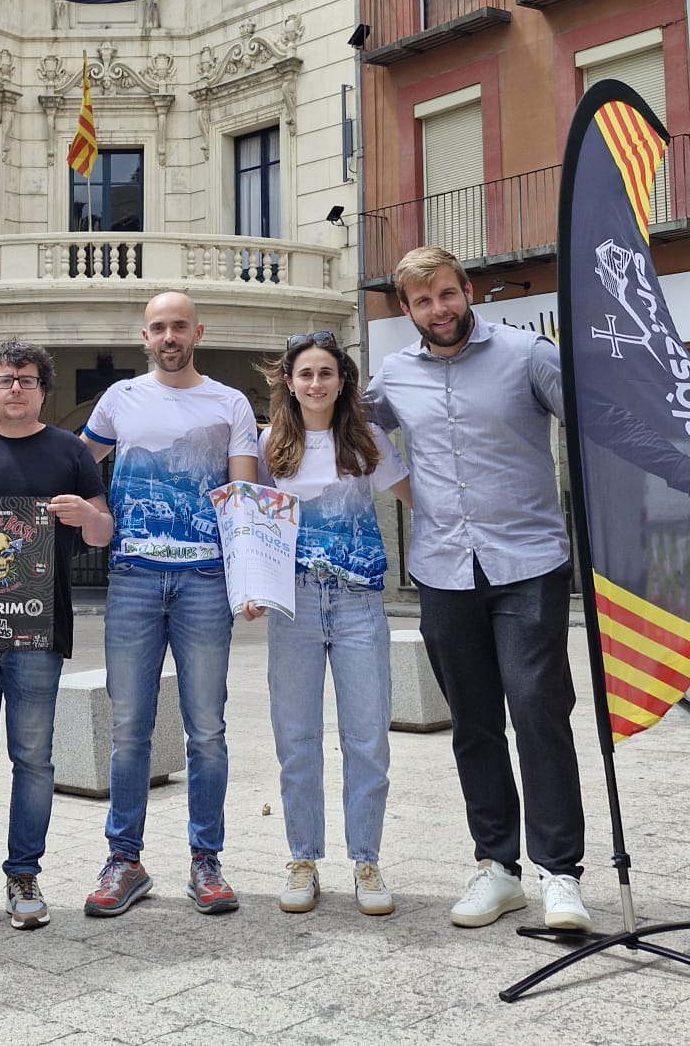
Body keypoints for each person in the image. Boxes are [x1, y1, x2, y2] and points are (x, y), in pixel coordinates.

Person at [366, 246, 593, 933]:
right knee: (473, 726)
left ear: (468, 291)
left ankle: (561, 875)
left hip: (528, 564)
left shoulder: (530, 356)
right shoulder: (394, 375)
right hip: (443, 570)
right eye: (422, 302)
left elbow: (596, 423)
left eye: (446, 294)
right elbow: (349, 430)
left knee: (537, 713)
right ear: (407, 311)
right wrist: (405, 490)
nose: (438, 310)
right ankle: (498, 868)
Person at [0, 341, 114, 932]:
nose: (15, 388)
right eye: (5, 379)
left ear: (42, 389)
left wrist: (86, 517)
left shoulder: (71, 451)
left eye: (27, 379)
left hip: (39, 630)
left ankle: (23, 872)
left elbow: (104, 533)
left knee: (34, 759)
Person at [81, 292, 258, 918]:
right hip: (132, 577)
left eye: (179, 325)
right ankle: (124, 859)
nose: (168, 336)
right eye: (158, 327)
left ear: (198, 332)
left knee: (206, 728)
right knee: (128, 728)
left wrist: (251, 581)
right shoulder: (120, 399)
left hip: (205, 580)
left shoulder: (230, 403)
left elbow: (244, 496)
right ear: (145, 336)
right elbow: (77, 464)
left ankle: (205, 860)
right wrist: (90, 508)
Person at [257, 332, 411, 917]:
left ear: (342, 381)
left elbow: (416, 496)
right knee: (297, 739)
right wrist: (253, 588)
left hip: (357, 604)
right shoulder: (270, 445)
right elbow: (251, 521)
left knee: (367, 738)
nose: (316, 383)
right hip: (293, 605)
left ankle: (366, 860)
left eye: (326, 372)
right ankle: (303, 858)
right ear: (289, 383)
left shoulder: (366, 441)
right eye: (305, 374)